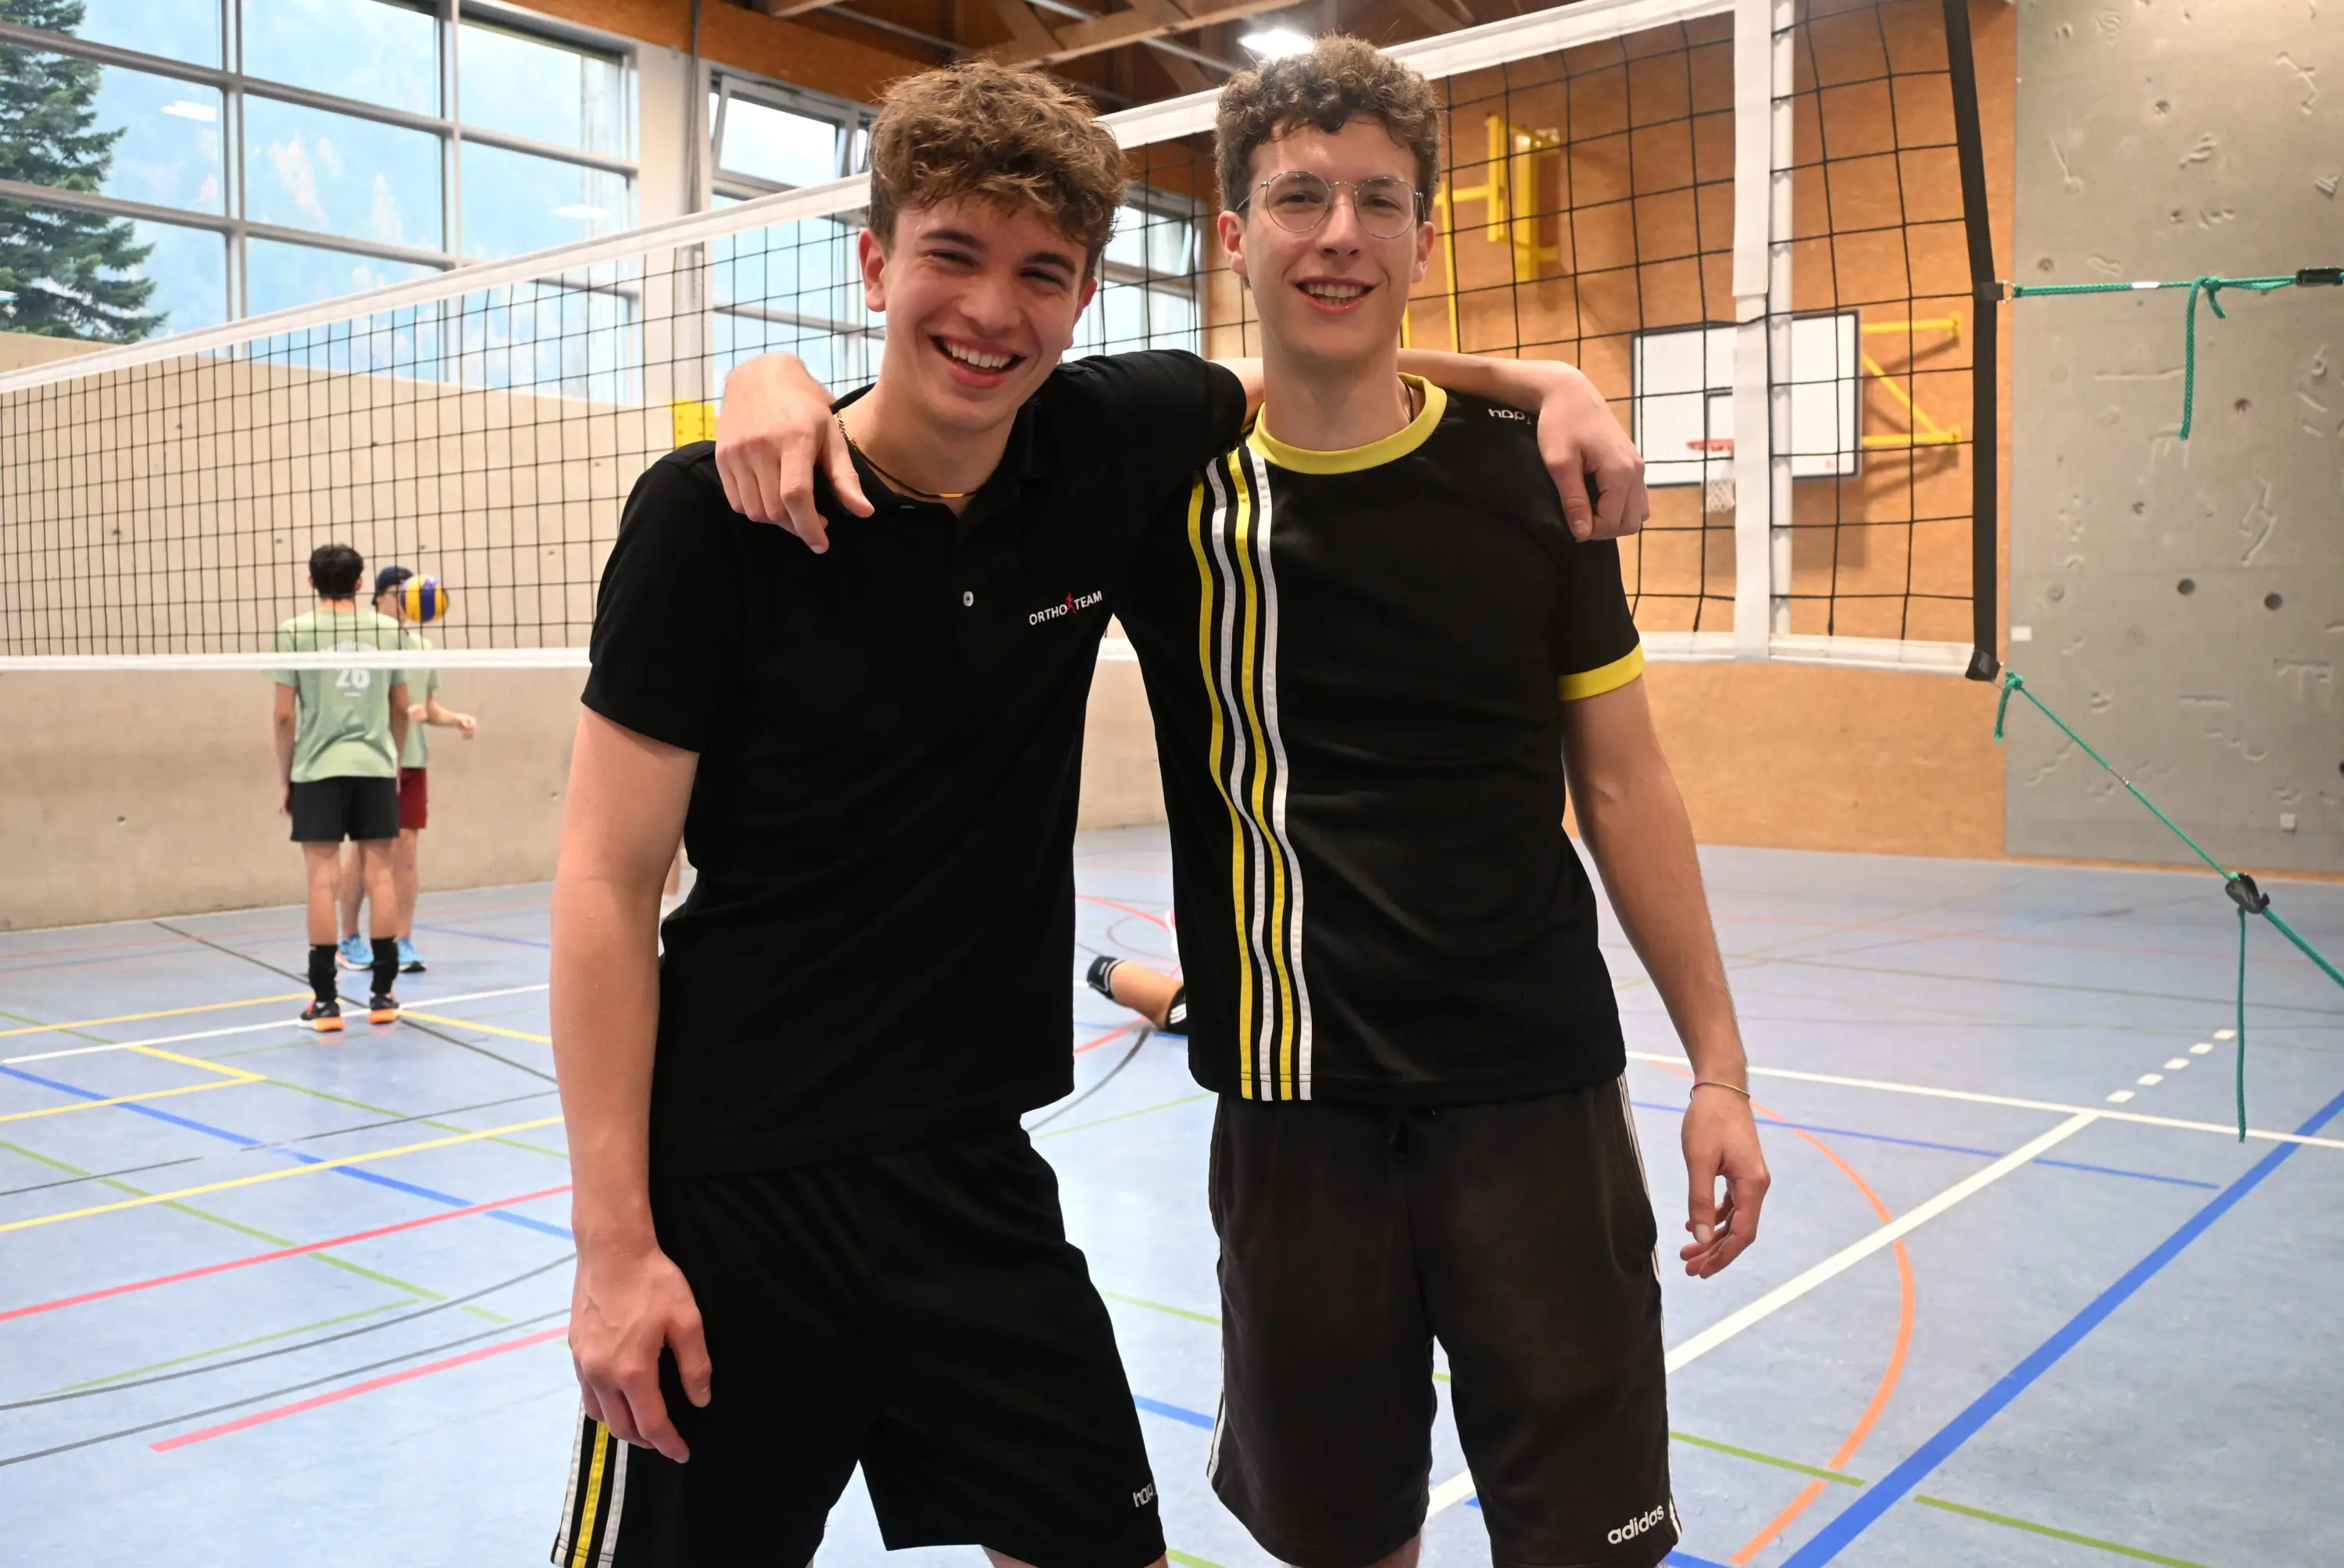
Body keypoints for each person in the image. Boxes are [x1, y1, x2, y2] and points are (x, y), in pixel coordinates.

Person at [549, 59, 1645, 1568]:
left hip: (974, 1175)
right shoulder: (711, 519)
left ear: (1081, 304)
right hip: (738, 1187)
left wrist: (1550, 384)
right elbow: (603, 882)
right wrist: (614, 1245)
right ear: (871, 264)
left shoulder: (1102, 447)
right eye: (950, 255)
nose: (992, 310)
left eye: (1040, 274)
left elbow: (1325, 366)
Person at [273, 542, 409, 1032]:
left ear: (311, 583)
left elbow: (284, 714)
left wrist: (286, 773)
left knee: (321, 881)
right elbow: (400, 706)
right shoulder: (389, 630)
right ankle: (382, 997)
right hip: (374, 765)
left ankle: (326, 1002)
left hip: (317, 768)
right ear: (358, 583)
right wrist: (391, 760)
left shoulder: (294, 632)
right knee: (381, 878)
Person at [336, 564, 478, 976]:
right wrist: (396, 712)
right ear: (378, 596)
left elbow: (427, 707)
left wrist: (455, 719)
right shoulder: (362, 641)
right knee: (364, 851)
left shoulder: (421, 646)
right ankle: (348, 938)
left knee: (407, 853)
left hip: (411, 760)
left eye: (410, 590)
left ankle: (402, 941)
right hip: (370, 758)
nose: (404, 597)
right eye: (398, 590)